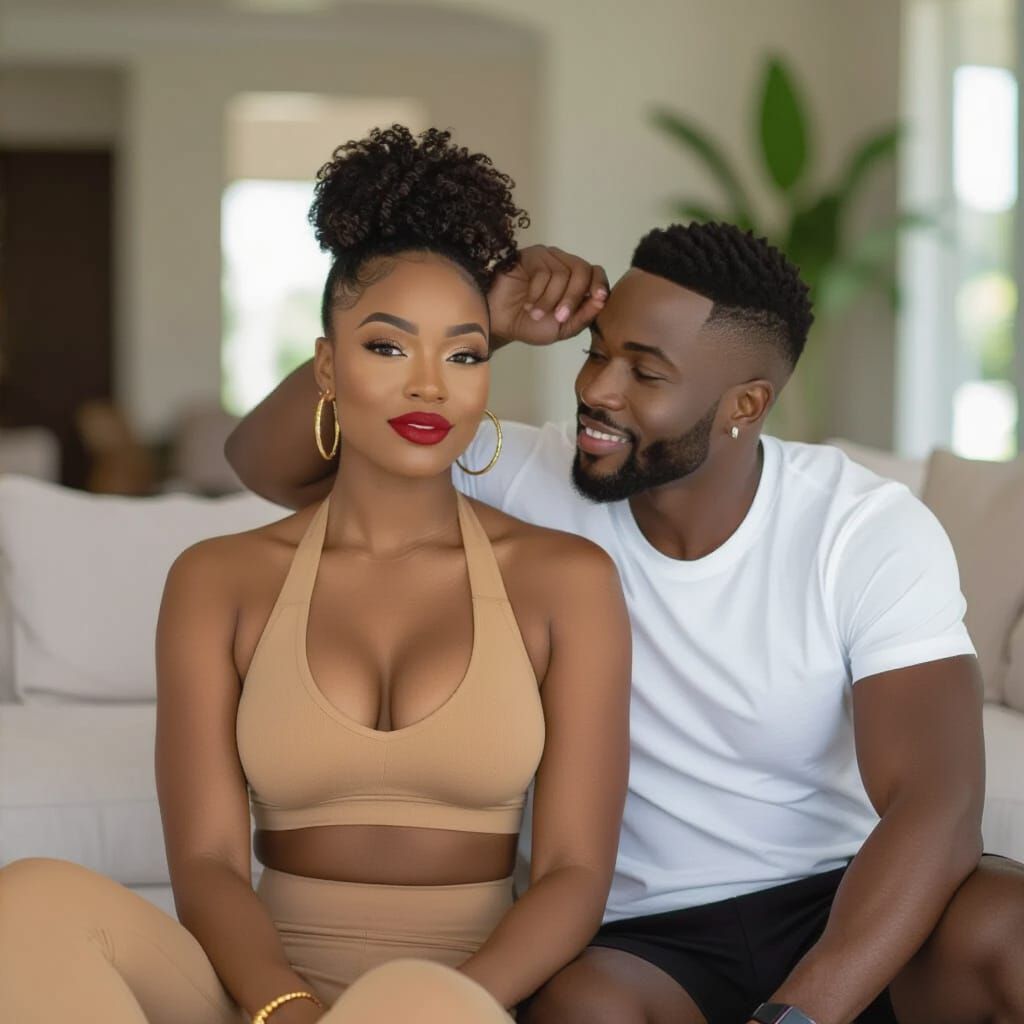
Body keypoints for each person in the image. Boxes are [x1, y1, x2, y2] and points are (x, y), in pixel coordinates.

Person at [225, 220, 1024, 1024]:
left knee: (1012, 929)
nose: (597, 389)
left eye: (644, 371)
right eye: (596, 351)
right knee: (584, 1013)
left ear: (744, 406)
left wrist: (802, 1014)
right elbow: (269, 465)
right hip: (646, 941)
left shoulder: (858, 528)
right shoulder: (526, 477)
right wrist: (481, 322)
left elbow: (939, 801)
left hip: (845, 902)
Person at [0, 125, 632, 1024]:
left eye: (464, 353)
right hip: (263, 996)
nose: (429, 386)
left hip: (456, 998)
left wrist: (460, 1006)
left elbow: (574, 875)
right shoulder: (219, 580)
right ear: (327, 367)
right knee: (29, 899)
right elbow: (210, 864)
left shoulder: (565, 581)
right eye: (387, 347)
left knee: (408, 1000)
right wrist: (284, 1007)